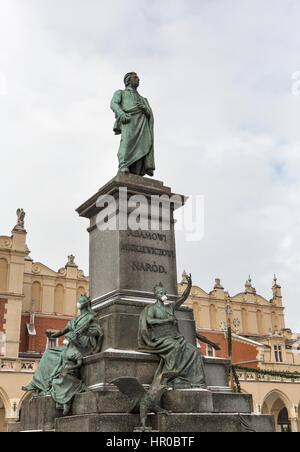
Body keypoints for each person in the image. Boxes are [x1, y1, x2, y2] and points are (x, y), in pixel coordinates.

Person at [138, 275, 207, 389]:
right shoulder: (152, 308)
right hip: (161, 338)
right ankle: (169, 378)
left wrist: (189, 286)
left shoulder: (170, 307)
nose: (162, 293)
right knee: (175, 347)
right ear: (155, 294)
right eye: (160, 292)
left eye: (163, 291)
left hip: (175, 337)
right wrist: (166, 320)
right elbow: (149, 320)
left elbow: (182, 298)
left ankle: (196, 381)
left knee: (195, 352)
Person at [110, 72, 155, 177]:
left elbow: (149, 113)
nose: (138, 79)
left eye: (138, 77)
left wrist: (146, 110)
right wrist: (121, 114)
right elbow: (113, 103)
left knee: (143, 145)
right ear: (127, 80)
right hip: (129, 119)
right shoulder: (120, 93)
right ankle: (123, 165)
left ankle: (137, 171)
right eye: (135, 77)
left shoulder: (143, 99)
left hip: (142, 121)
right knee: (127, 142)